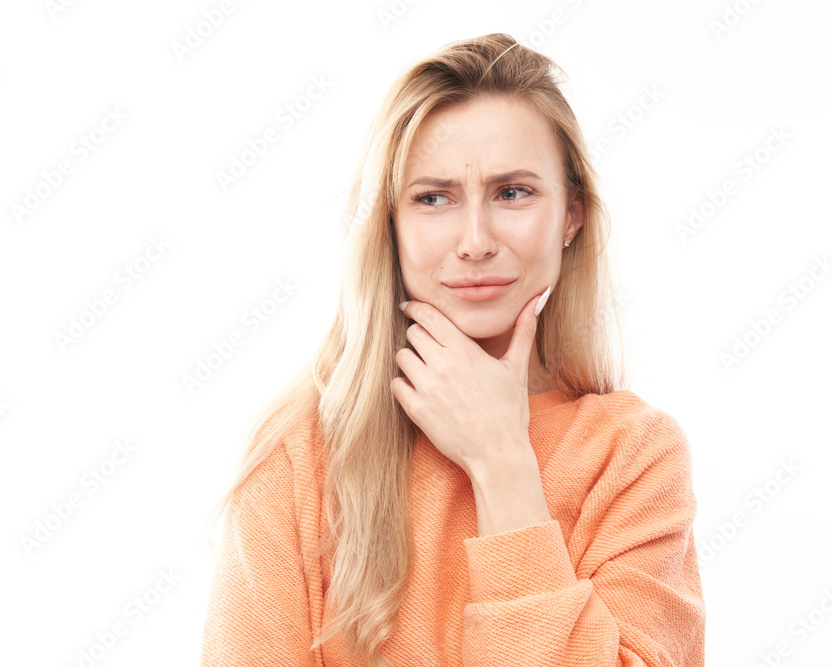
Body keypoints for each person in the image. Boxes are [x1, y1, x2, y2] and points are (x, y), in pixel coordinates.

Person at [200, 32, 705, 666]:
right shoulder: (300, 448)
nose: (474, 242)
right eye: (433, 198)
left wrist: (502, 462)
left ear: (572, 216)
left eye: (512, 192)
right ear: (391, 224)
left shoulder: (633, 456)